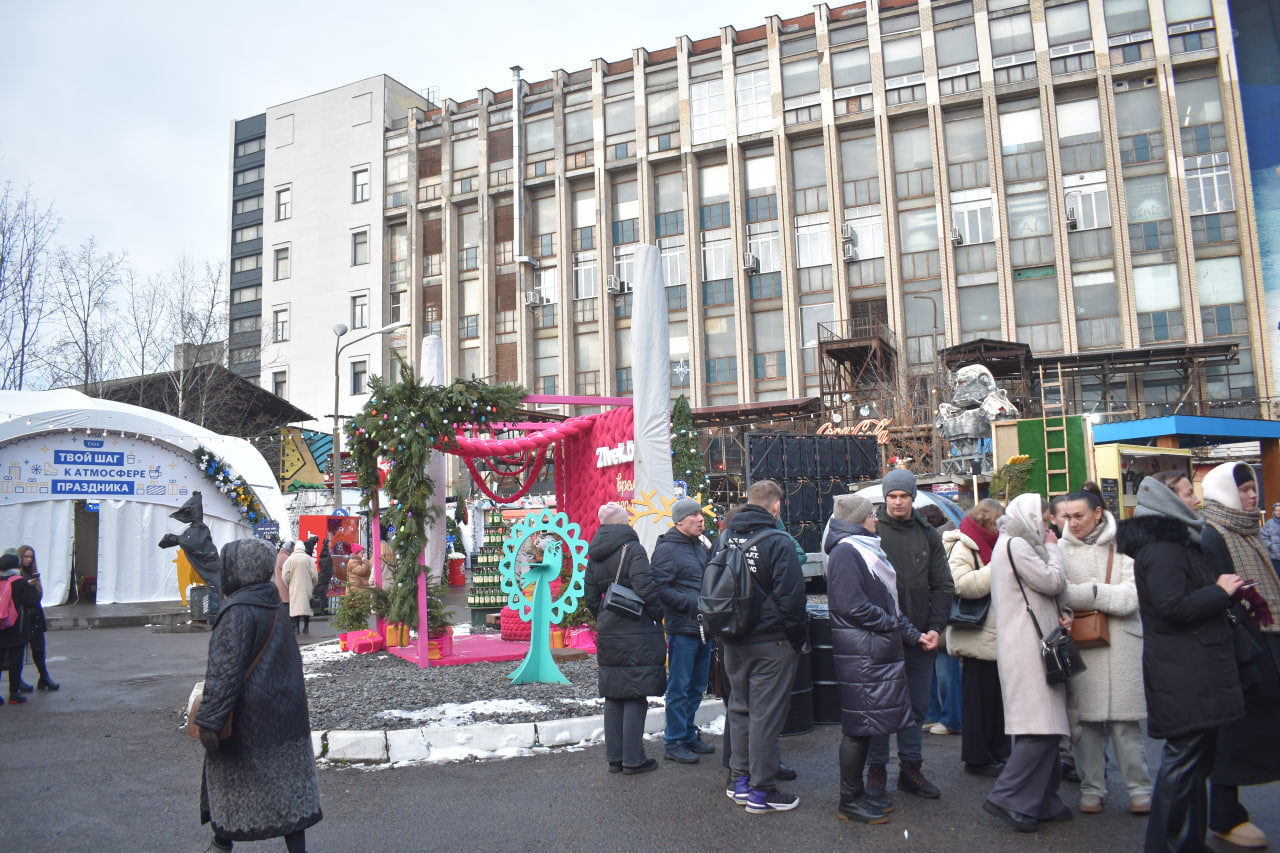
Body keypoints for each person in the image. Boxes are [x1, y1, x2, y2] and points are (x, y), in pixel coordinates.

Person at [1117, 473, 1245, 853]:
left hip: (1192, 666)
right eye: (1188, 494)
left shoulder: (1176, 543)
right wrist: (1219, 592)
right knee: (1184, 763)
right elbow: (1172, 607)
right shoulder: (1164, 549)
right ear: (1168, 502)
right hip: (1185, 669)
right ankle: (1168, 845)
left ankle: (1187, 841)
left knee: (1193, 764)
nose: (1195, 500)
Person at [195, 538, 322, 852]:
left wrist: (210, 721)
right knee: (290, 791)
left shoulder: (236, 611)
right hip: (285, 714)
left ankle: (221, 843)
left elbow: (224, 673)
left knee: (229, 780)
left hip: (247, 719)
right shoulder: (274, 605)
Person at [825, 494, 934, 824]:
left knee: (864, 727)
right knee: (858, 730)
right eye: (870, 515)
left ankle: (856, 795)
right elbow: (853, 606)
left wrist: (914, 635)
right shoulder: (847, 551)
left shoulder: (861, 548)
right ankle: (849, 799)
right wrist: (891, 624)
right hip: (862, 654)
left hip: (870, 652)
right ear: (858, 520)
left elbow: (885, 605)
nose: (876, 518)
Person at [1199, 462, 1280, 850]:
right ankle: (1224, 814)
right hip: (1240, 649)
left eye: (1253, 488)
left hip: (1264, 642)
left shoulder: (1248, 531)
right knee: (1233, 733)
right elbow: (1219, 597)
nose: (1252, 495)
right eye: (1244, 490)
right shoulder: (1211, 534)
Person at [982, 493, 1072, 832]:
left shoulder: (1011, 544)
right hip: (1027, 647)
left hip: (1028, 645)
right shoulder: (1018, 545)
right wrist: (1054, 550)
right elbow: (1051, 581)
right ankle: (1007, 797)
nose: (1048, 524)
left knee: (1045, 727)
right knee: (1040, 729)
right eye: (1045, 517)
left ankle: (1043, 799)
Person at [1060, 489, 1153, 815]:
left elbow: (1132, 597)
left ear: (1098, 513)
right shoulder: (1059, 550)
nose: (1071, 524)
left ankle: (1139, 789)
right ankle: (1092, 788)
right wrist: (1104, 594)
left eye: (1079, 516)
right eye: (1067, 517)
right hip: (1083, 647)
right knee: (1085, 726)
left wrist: (1088, 594)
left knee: (1126, 727)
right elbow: (1060, 593)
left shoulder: (1125, 543)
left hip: (1123, 644)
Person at [865, 469, 952, 803]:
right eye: (892, 496)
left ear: (912, 498)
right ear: (884, 499)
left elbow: (943, 585)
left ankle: (911, 769)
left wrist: (934, 628)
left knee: (916, 706)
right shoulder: (871, 531)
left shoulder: (927, 534)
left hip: (921, 637)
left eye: (903, 496)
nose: (898, 502)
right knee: (879, 706)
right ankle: (876, 769)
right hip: (881, 635)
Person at [722, 479, 807, 814]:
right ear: (776, 506)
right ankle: (763, 791)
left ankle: (740, 782)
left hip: (732, 640)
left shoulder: (725, 539)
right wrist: (797, 639)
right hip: (771, 641)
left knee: (740, 709)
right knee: (766, 716)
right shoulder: (779, 541)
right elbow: (792, 599)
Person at [584, 503, 667, 774]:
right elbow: (645, 587)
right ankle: (634, 759)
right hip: (636, 628)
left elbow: (590, 597)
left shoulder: (594, 554)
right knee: (635, 692)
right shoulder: (633, 549)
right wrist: (657, 614)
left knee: (614, 693)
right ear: (622, 523)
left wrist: (606, 614)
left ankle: (615, 758)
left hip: (609, 628)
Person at [943, 498, 1010, 776]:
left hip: (996, 635)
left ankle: (997, 752)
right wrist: (998, 565)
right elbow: (960, 584)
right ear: (990, 521)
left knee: (996, 702)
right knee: (979, 702)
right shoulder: (963, 544)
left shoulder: (990, 544)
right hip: (977, 635)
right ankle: (978, 757)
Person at [651, 496, 715, 764]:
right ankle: (674, 740)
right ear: (680, 520)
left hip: (704, 627)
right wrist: (693, 604)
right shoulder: (667, 549)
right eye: (694, 516)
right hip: (683, 628)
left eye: (701, 515)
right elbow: (660, 588)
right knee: (679, 686)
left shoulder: (699, 546)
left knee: (698, 685)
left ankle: (688, 732)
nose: (701, 519)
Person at [920, 504, 961, 737]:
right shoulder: (942, 540)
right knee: (935, 669)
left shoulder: (946, 544)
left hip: (942, 615)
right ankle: (934, 715)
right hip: (935, 615)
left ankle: (952, 719)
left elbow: (945, 583)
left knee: (947, 670)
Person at [0, 553, 43, 705]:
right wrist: (32, 587)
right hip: (16, 628)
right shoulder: (20, 582)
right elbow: (32, 602)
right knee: (15, 661)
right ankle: (13, 694)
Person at [16, 545, 57, 691]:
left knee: (39, 648)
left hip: (36, 615)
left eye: (30, 557)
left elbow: (38, 597)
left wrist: (36, 585)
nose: (28, 559)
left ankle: (44, 676)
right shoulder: (18, 574)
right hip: (24, 616)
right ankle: (17, 680)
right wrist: (27, 586)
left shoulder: (31, 573)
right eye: (25, 556)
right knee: (18, 651)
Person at [281, 541, 317, 635]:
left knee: (296, 608)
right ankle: (306, 627)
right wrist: (314, 583)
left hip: (294, 587)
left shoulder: (290, 559)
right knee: (307, 607)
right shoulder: (308, 559)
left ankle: (296, 628)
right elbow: (314, 574)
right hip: (307, 586)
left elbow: (285, 574)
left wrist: (288, 584)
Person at [1261, 501, 1280, 576]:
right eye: (1276, 510)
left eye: (1279, 510)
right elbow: (1263, 536)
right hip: (1274, 556)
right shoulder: (1269, 524)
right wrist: (1270, 545)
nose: (1278, 512)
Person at [273, 541, 293, 607]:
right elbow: (289, 573)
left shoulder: (280, 556)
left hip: (281, 589)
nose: (293, 550)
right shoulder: (284, 558)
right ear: (289, 548)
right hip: (284, 590)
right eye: (293, 548)